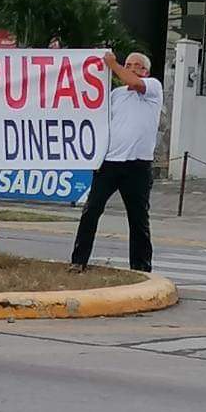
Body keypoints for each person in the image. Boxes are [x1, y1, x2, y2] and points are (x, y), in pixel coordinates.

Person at [70, 51, 163, 273]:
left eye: (136, 65)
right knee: (91, 210)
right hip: (110, 162)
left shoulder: (152, 87)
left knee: (138, 218)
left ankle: (141, 267)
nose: (130, 68)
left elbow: (134, 82)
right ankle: (79, 260)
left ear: (145, 71)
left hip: (137, 164)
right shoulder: (117, 94)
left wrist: (113, 64)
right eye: (127, 64)